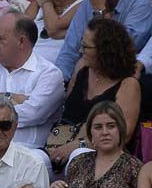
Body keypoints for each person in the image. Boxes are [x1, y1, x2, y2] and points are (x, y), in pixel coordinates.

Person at [0, 12, 65, 152]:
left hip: (27, 153)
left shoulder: (49, 74)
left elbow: (32, 114)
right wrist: (8, 97)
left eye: (0, 38)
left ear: (21, 42)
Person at [52, 21, 140, 170]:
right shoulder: (82, 68)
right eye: (82, 44)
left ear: (105, 50)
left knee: (79, 155)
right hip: (61, 144)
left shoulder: (128, 84)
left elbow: (123, 134)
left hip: (102, 156)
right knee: (35, 160)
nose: (81, 50)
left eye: (86, 47)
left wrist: (79, 144)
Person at [56, 0, 152, 81]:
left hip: (123, 77)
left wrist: (100, 10)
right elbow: (69, 51)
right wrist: (59, 83)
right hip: (88, 76)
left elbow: (119, 50)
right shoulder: (86, 6)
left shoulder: (140, 4)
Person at [51, 101, 142, 188]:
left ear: (120, 129)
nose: (105, 132)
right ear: (91, 133)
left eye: (111, 126)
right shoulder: (79, 162)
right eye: (98, 127)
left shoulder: (134, 167)